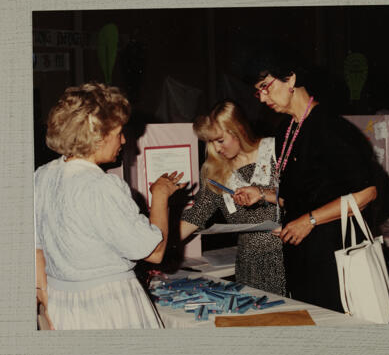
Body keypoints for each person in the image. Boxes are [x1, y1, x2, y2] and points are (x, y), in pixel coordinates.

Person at [233, 56, 379, 313]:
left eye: (265, 87)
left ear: (291, 78)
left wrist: (308, 221)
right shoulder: (286, 131)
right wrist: (262, 194)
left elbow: (367, 192)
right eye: (258, 93)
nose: (264, 99)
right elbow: (299, 196)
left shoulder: (330, 127)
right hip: (302, 254)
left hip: (334, 253)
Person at [35, 82, 186, 330]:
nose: (124, 140)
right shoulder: (101, 187)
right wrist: (160, 197)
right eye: (119, 133)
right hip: (108, 309)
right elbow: (155, 252)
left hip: (63, 306)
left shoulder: (42, 176)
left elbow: (36, 251)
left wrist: (48, 308)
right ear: (97, 137)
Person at [179, 101, 285, 296]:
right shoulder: (214, 170)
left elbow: (303, 198)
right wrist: (160, 243)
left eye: (219, 140)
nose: (215, 148)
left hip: (289, 257)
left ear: (238, 129)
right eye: (209, 142)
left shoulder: (276, 151)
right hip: (249, 265)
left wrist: (265, 195)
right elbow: (197, 214)